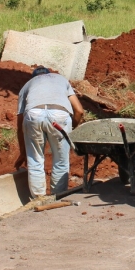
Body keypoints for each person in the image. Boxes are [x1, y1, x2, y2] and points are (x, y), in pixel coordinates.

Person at [14, 66, 85, 200]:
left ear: (34, 77)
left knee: (35, 160)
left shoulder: (27, 85)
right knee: (61, 161)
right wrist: (70, 130)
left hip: (33, 114)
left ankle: (38, 199)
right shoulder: (61, 79)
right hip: (60, 114)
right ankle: (58, 197)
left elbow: (20, 122)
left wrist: (23, 152)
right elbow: (79, 111)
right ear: (49, 74)